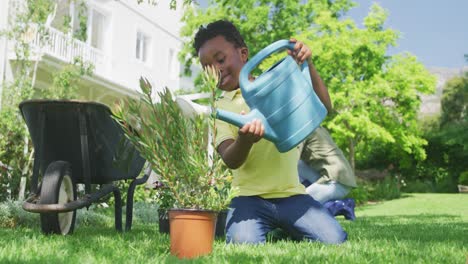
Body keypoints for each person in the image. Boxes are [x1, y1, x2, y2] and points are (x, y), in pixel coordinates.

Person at [194, 20, 348, 244]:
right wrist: (244, 141)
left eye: (220, 59)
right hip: (247, 199)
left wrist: (308, 65)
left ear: (244, 53)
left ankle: (284, 226)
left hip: (292, 195)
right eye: (207, 67)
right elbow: (230, 159)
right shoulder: (219, 109)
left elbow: (324, 106)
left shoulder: (275, 86)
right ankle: (276, 226)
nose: (216, 70)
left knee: (334, 240)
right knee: (243, 244)